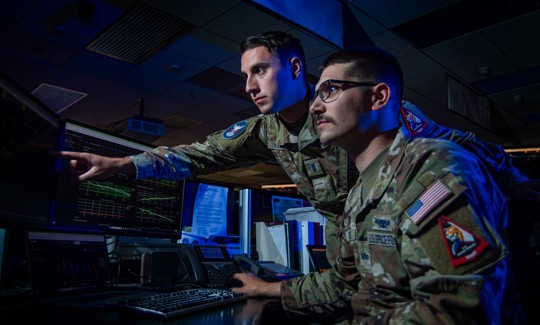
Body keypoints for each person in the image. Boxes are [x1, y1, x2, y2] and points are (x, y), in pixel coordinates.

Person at [53, 31, 533, 309]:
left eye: (259, 70)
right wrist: (124, 163)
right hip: (355, 254)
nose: (249, 85)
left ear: (297, 68)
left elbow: (458, 153)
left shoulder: (373, 115)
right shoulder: (265, 130)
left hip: (417, 240)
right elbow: (198, 154)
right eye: (245, 76)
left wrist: (526, 191)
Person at [233, 47, 511, 324]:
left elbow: (457, 310)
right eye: (316, 94)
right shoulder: (358, 193)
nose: (315, 106)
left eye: (329, 91)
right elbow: (347, 284)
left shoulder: (430, 167)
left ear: (378, 97)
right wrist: (269, 288)